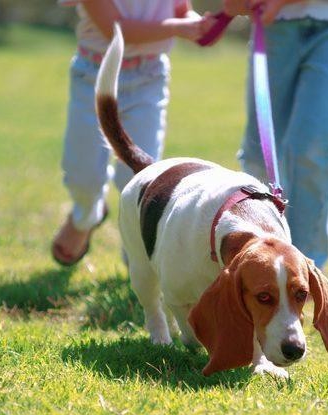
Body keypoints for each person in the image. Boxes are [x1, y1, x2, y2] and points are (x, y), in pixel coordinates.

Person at [52, 0, 213, 266]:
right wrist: (179, 28)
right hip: (94, 74)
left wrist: (198, 25)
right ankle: (86, 215)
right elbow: (116, 30)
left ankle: (137, 252)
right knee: (83, 174)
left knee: (140, 173)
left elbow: (181, 11)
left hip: (148, 76)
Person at [223, 0, 328, 268]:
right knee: (259, 154)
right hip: (275, 24)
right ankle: (259, 264)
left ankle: (308, 270)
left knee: (312, 148)